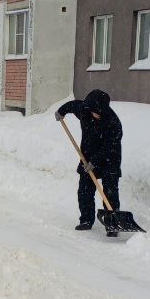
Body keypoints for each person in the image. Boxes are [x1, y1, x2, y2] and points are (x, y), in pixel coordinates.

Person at [55, 89, 123, 230]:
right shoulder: (84, 110)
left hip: (110, 159)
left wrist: (95, 161)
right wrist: (61, 111)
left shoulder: (113, 123)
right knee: (84, 190)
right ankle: (86, 220)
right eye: (95, 111)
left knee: (110, 192)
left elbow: (110, 146)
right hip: (88, 156)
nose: (97, 114)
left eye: (100, 112)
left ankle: (112, 224)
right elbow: (73, 105)